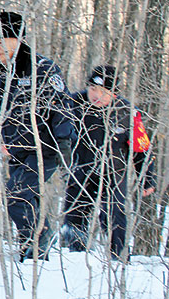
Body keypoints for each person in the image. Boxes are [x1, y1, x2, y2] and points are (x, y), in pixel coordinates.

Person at [0, 10, 76, 261]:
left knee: (16, 194)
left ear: (17, 38)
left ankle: (39, 242)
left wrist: (64, 142)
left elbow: (62, 107)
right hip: (17, 148)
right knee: (27, 199)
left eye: (1, 41)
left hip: (45, 148)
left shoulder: (42, 68)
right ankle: (35, 251)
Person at [62, 65, 156, 259]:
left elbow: (142, 149)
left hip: (114, 172)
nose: (96, 95)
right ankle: (76, 257)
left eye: (104, 92)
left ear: (114, 95)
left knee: (114, 214)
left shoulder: (128, 113)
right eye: (93, 89)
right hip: (81, 169)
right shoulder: (72, 103)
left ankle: (119, 258)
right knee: (74, 216)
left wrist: (147, 179)